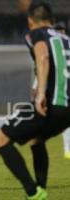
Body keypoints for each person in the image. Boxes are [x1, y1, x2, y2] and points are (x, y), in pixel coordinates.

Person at [0, 2, 70, 200]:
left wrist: (41, 93)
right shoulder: (66, 38)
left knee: (1, 139)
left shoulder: (36, 34)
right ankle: (41, 190)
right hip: (67, 108)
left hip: (52, 103)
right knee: (37, 139)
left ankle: (32, 192)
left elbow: (43, 56)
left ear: (30, 20)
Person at [53, 22, 70, 159]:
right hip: (61, 91)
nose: (60, 33)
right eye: (57, 30)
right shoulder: (53, 48)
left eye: (61, 30)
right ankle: (67, 149)